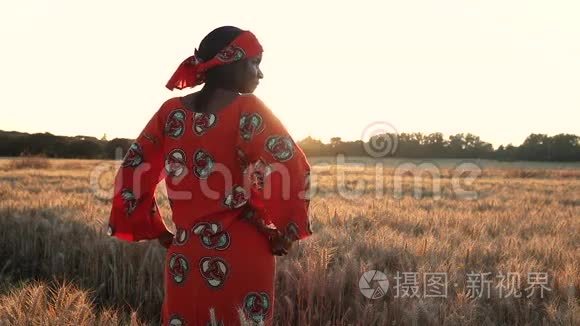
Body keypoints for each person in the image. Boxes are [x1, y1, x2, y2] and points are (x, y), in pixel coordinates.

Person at [106, 26, 313, 325]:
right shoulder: (248, 110)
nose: (260, 73)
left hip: (185, 256)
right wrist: (287, 232)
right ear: (230, 62)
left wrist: (158, 230)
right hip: (244, 254)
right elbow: (291, 165)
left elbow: (133, 171)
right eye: (255, 63)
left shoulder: (171, 112)